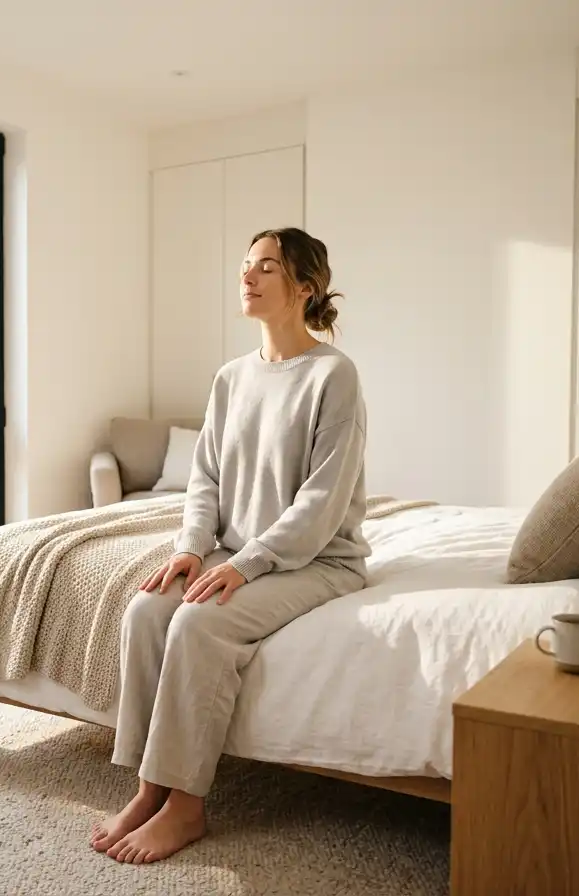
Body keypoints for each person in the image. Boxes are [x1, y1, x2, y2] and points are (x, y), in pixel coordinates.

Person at [89, 227, 371, 864]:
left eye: (267, 267)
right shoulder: (231, 377)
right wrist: (193, 547)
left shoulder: (334, 375)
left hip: (318, 560)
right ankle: (149, 789)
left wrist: (244, 565)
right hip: (240, 555)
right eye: (246, 264)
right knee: (147, 610)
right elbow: (205, 479)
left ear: (306, 287)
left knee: (199, 623)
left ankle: (186, 806)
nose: (248, 275)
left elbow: (322, 502)